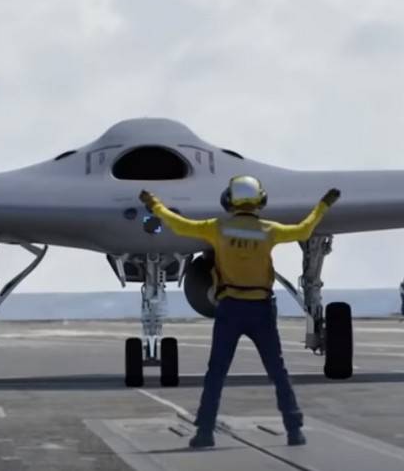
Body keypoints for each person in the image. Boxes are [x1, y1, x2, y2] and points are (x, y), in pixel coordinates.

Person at [139, 176, 340, 449]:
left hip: (230, 309)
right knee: (277, 371)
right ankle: (294, 429)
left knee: (216, 373)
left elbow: (179, 226)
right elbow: (304, 231)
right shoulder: (269, 230)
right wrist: (324, 206)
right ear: (261, 200)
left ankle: (205, 432)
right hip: (261, 309)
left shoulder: (217, 228)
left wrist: (155, 205)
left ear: (228, 200)